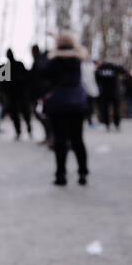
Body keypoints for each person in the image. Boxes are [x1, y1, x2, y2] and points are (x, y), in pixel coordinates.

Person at [42, 32, 89, 186]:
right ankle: (82, 172)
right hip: (77, 103)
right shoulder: (77, 59)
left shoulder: (53, 61)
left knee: (60, 141)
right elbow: (82, 51)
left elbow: (43, 75)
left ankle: (60, 175)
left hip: (59, 104)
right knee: (78, 139)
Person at [4, 48, 34, 140]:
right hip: (16, 94)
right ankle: (22, 130)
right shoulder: (8, 66)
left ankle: (23, 130)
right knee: (20, 113)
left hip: (19, 94)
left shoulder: (10, 66)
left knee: (22, 113)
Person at [94, 59, 124, 131]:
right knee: (116, 108)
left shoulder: (100, 68)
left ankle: (107, 123)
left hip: (103, 92)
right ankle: (116, 123)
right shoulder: (114, 67)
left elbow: (96, 78)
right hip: (114, 91)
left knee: (105, 108)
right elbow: (123, 71)